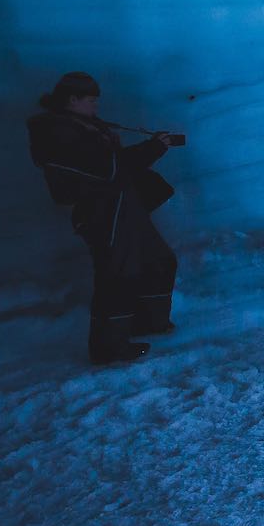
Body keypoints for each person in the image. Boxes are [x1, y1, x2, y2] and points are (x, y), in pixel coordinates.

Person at [26, 71, 182, 364]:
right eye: (91, 100)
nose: (96, 106)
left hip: (125, 205)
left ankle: (147, 323)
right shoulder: (56, 131)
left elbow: (113, 166)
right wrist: (153, 149)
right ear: (72, 100)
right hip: (103, 210)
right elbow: (105, 169)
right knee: (117, 275)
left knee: (158, 260)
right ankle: (109, 349)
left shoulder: (83, 127)